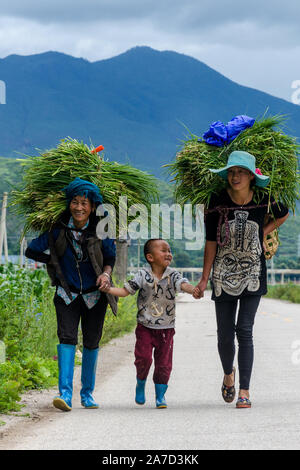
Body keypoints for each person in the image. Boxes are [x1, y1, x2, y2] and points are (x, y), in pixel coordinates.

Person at [193, 151, 289, 408]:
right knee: (224, 335)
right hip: (223, 274)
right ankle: (228, 374)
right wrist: (204, 280)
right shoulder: (216, 201)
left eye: (242, 172)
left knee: (244, 330)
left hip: (253, 272)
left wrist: (263, 233)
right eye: (232, 172)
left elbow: (283, 214)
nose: (236, 176)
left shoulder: (263, 199)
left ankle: (245, 391)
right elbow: (211, 242)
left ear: (251, 176)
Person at [25, 177, 118, 411]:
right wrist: (54, 261)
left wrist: (106, 276)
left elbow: (110, 258)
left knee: (91, 341)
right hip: (66, 294)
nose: (79, 207)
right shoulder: (58, 229)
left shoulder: (101, 229)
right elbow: (31, 250)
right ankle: (65, 395)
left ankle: (87, 394)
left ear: (93, 207)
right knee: (66, 339)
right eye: (75, 202)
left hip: (95, 294)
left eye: (84, 203)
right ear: (69, 204)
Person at [99, 238, 198, 408]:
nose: (168, 254)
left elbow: (183, 284)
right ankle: (140, 383)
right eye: (164, 251)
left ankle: (160, 396)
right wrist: (108, 289)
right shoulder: (142, 275)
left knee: (164, 364)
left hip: (166, 329)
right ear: (150, 257)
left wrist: (194, 290)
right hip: (145, 327)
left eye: (169, 251)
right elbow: (125, 291)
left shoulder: (172, 274)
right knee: (143, 358)